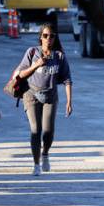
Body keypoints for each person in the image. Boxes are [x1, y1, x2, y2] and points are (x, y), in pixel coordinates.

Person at [13, 23, 73, 175]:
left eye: (51, 36)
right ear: (40, 37)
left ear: (55, 38)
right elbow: (20, 74)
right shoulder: (32, 52)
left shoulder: (59, 56)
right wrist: (36, 65)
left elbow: (67, 79)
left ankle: (45, 153)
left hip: (50, 96)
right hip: (31, 94)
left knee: (48, 131)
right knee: (35, 130)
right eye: (45, 35)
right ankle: (36, 164)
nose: (48, 39)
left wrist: (69, 102)